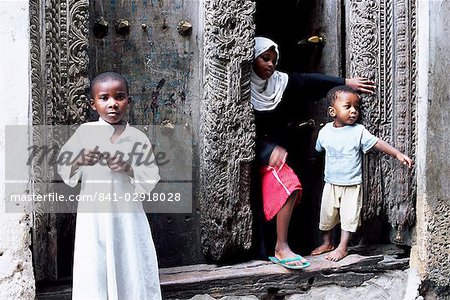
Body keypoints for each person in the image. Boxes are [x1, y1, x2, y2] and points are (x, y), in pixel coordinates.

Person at [251, 37, 375, 269]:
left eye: (274, 61)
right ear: (251, 59)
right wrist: (267, 149)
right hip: (256, 155)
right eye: (264, 58)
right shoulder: (241, 88)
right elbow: (236, 127)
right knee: (282, 189)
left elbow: (309, 82)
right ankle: (279, 248)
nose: (270, 65)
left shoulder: (279, 83)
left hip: (278, 158)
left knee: (290, 187)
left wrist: (345, 82)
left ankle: (280, 247)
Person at [57, 72, 162, 299]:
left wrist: (129, 168)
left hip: (127, 217)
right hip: (94, 216)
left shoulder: (137, 138)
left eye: (119, 97)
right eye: (104, 98)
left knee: (130, 262)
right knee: (96, 265)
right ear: (93, 104)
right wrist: (80, 159)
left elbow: (151, 177)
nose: (112, 103)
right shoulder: (85, 133)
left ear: (128, 101)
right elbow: (65, 170)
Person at [311, 85, 413, 261]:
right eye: (347, 106)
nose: (353, 111)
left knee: (348, 217)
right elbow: (317, 150)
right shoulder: (325, 131)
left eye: (356, 107)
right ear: (332, 111)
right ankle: (327, 242)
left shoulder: (358, 131)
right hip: (331, 183)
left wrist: (397, 153)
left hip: (351, 184)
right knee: (327, 215)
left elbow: (377, 143)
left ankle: (343, 247)